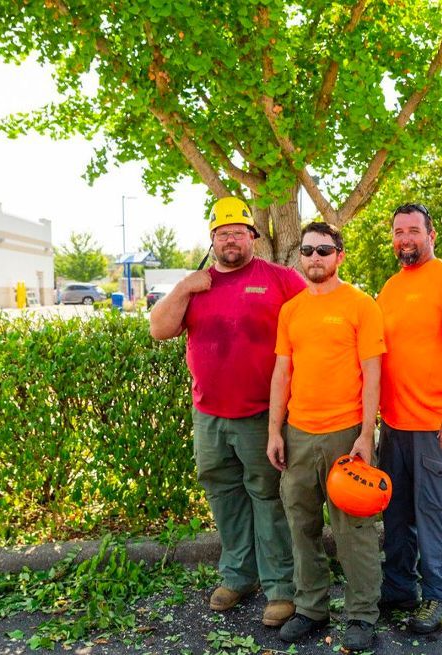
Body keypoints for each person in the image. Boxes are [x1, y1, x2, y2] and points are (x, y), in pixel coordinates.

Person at [149, 197, 305, 628]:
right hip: (210, 418)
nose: (230, 239)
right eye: (222, 233)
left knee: (268, 498)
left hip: (261, 416)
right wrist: (183, 287)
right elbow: (159, 329)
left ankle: (280, 589)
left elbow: (314, 320)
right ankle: (238, 577)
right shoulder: (195, 285)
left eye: (238, 231)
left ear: (252, 237)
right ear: (212, 239)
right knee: (225, 497)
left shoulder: (279, 279)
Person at [267, 222, 386, 652]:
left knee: (354, 529)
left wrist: (366, 434)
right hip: (298, 435)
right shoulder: (291, 310)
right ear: (299, 256)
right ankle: (312, 608)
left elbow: (373, 372)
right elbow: (283, 372)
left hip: (345, 435)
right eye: (308, 250)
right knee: (301, 525)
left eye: (324, 250)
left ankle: (361, 614)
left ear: (340, 255)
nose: (315, 257)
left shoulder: (360, 305)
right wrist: (274, 431)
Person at [376, 203, 442, 634]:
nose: (406, 238)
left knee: (435, 514)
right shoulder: (390, 287)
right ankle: (400, 588)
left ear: (431, 235)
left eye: (413, 230)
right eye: (399, 231)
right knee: (396, 513)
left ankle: (438, 597)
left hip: (437, 426)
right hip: (395, 426)